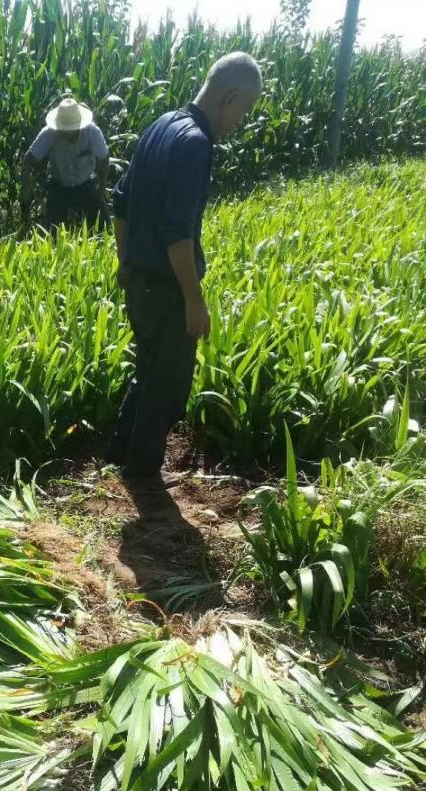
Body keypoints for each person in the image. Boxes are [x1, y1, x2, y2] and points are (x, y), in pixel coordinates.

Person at [109, 53, 263, 483]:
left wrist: (125, 262)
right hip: (165, 289)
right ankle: (142, 478)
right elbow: (178, 234)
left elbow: (120, 201)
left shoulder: (160, 125)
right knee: (170, 387)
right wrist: (194, 301)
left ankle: (121, 453)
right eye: (244, 109)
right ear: (230, 97)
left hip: (139, 283)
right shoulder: (196, 143)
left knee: (148, 370)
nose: (241, 121)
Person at [21, 97, 110, 229]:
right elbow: (29, 159)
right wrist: (26, 188)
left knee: (102, 227)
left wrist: (102, 187)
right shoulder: (49, 133)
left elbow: (104, 157)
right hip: (59, 185)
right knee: (51, 231)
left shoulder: (92, 132)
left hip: (85, 184)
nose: (66, 132)